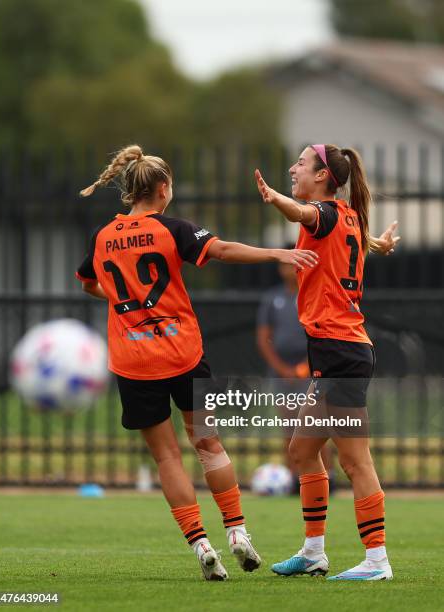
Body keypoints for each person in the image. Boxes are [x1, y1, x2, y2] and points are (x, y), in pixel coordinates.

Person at [76, 144, 319, 581]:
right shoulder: (172, 229)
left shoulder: (102, 236)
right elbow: (221, 250)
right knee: (208, 444)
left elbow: (90, 283)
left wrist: (123, 300)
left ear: (130, 191)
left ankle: (201, 544)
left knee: (167, 458)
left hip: (133, 361)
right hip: (183, 353)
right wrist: (277, 254)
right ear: (163, 189)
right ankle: (238, 532)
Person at [255, 144, 400, 581]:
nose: (293, 168)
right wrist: (380, 243)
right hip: (335, 352)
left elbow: (303, 216)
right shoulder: (348, 217)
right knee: (301, 450)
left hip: (342, 352)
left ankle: (377, 561)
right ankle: (314, 552)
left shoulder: (325, 213)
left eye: (301, 163)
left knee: (356, 462)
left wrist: (276, 198)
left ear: (322, 177)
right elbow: (340, 234)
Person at [256, 245, 335, 493]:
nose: (288, 268)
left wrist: (304, 368)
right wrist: (282, 368)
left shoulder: (314, 295)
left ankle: (327, 477)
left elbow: (323, 336)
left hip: (312, 372)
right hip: (283, 374)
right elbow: (263, 338)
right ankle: (294, 478)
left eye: (293, 263)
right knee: (289, 428)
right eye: (285, 263)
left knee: (316, 426)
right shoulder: (272, 298)